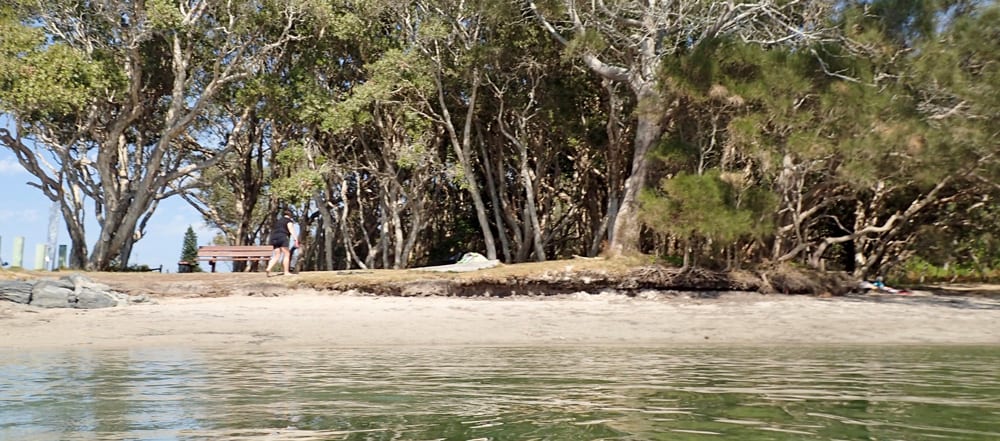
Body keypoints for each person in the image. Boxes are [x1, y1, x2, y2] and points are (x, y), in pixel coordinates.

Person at [266, 209, 298, 277]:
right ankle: (286, 272)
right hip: (282, 237)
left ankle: (268, 268)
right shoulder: (289, 221)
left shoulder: (278, 221)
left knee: (276, 255)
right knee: (287, 254)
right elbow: (291, 229)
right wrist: (296, 239)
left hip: (274, 238)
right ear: (290, 215)